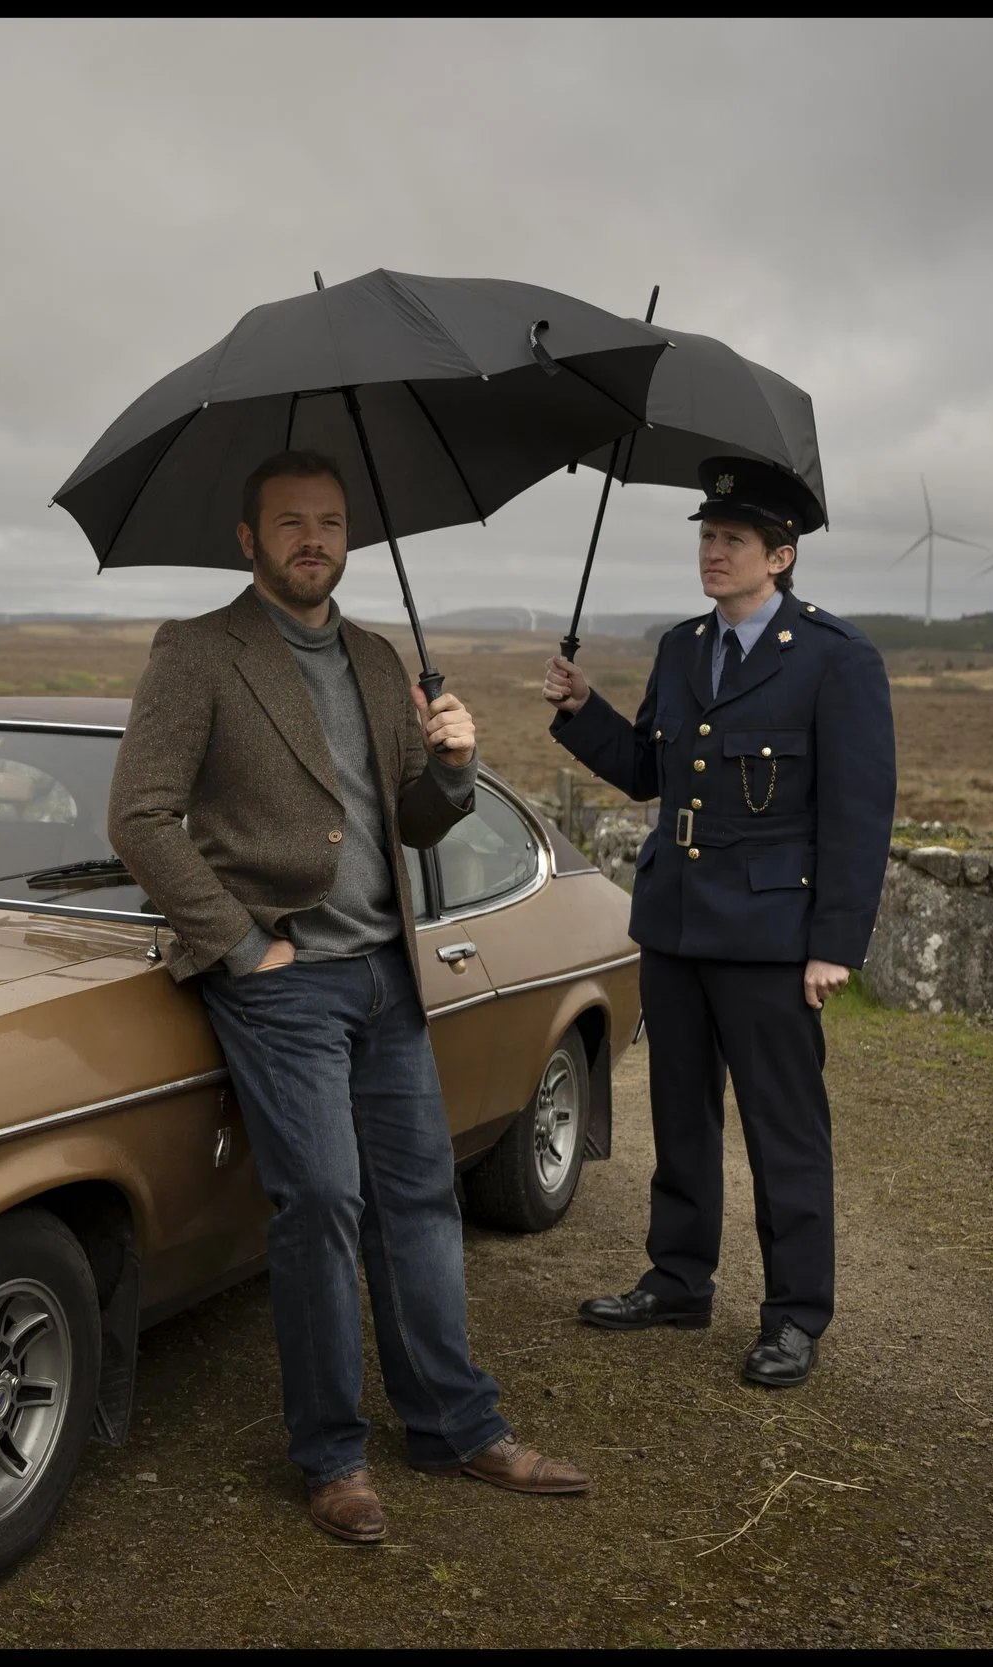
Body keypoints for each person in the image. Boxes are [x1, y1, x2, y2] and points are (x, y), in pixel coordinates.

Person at [109, 448, 590, 1546]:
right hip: (282, 981)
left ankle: (455, 1425)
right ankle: (329, 1455)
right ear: (249, 536)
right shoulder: (198, 651)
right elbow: (138, 817)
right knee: (321, 1200)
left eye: (328, 521)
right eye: (288, 521)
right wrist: (235, 945)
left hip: (387, 973)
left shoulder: (378, 661)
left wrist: (456, 767)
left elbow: (408, 822)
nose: (311, 538)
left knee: (421, 1202)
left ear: (348, 538)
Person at [541, 455, 895, 1389]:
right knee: (680, 1118)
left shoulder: (836, 658)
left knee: (785, 1131)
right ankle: (678, 1279)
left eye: (733, 540)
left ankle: (794, 1316)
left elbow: (859, 814)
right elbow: (652, 770)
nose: (714, 551)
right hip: (677, 924)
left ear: (780, 556)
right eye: (707, 536)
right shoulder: (682, 647)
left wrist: (834, 944)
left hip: (775, 937)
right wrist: (583, 712)